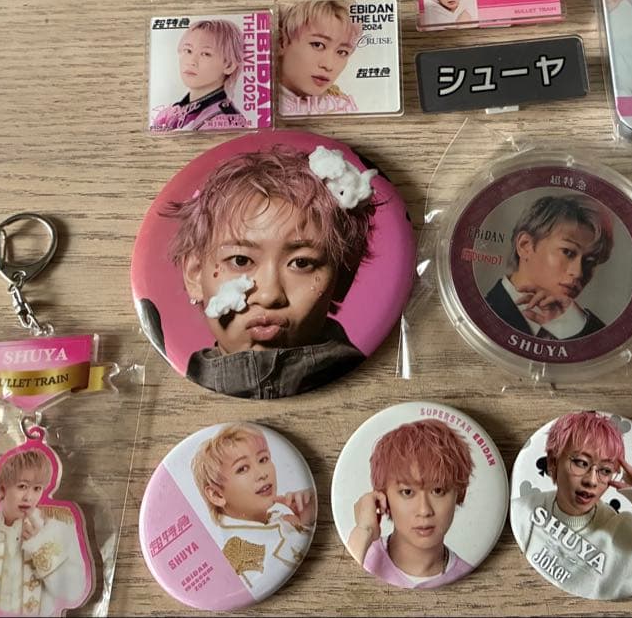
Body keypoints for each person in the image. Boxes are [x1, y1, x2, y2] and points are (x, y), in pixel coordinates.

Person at [164, 144, 377, 398]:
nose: (269, 295)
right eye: (240, 260)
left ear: (343, 278)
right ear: (195, 273)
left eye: (301, 263)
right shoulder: (164, 392)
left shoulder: (372, 384)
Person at [510, 411, 632, 600]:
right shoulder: (521, 509)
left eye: (605, 470)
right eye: (581, 463)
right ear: (553, 462)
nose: (592, 481)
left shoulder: (629, 534)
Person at [0, 448, 90, 615]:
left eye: (37, 488)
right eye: (22, 486)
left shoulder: (59, 527)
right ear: (2, 490)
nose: (28, 497)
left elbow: (73, 592)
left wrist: (41, 545)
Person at [346, 419, 475, 589]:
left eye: (438, 491)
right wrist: (364, 530)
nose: (424, 510)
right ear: (382, 497)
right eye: (407, 492)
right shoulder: (362, 553)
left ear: (460, 493)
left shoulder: (471, 575)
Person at [191, 423, 315, 590]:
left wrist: (306, 521)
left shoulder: (283, 518)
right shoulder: (236, 555)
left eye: (263, 459)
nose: (262, 474)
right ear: (217, 495)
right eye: (242, 469)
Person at [485, 194, 613, 339]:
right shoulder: (482, 315)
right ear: (525, 246)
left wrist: (577, 325)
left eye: (590, 261)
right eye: (567, 252)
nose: (578, 273)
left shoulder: (581, 324)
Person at [150, 19, 248, 131]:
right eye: (188, 50)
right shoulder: (171, 112)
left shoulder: (226, 120)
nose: (191, 61)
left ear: (229, 65)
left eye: (205, 54)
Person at [277, 0, 361, 116]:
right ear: (282, 42)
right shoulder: (259, 103)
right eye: (317, 45)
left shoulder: (342, 107)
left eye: (342, 52)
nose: (328, 65)